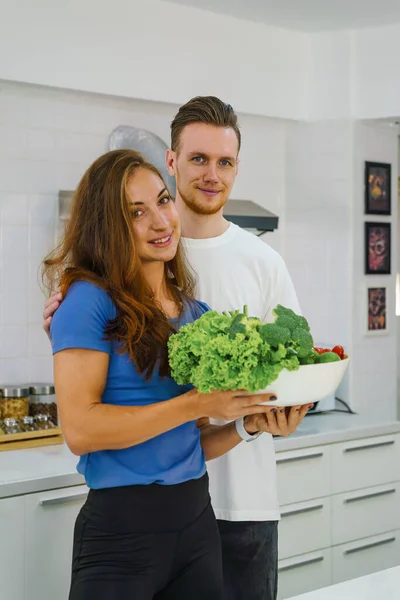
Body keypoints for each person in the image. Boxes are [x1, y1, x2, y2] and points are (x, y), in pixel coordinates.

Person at [43, 98, 312, 600]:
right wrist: (197, 404)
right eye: (135, 212)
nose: (159, 221)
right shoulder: (87, 300)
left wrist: (249, 422)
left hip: (196, 523)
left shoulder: (193, 313)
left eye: (160, 203)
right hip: (122, 531)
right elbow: (79, 431)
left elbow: (192, 442)